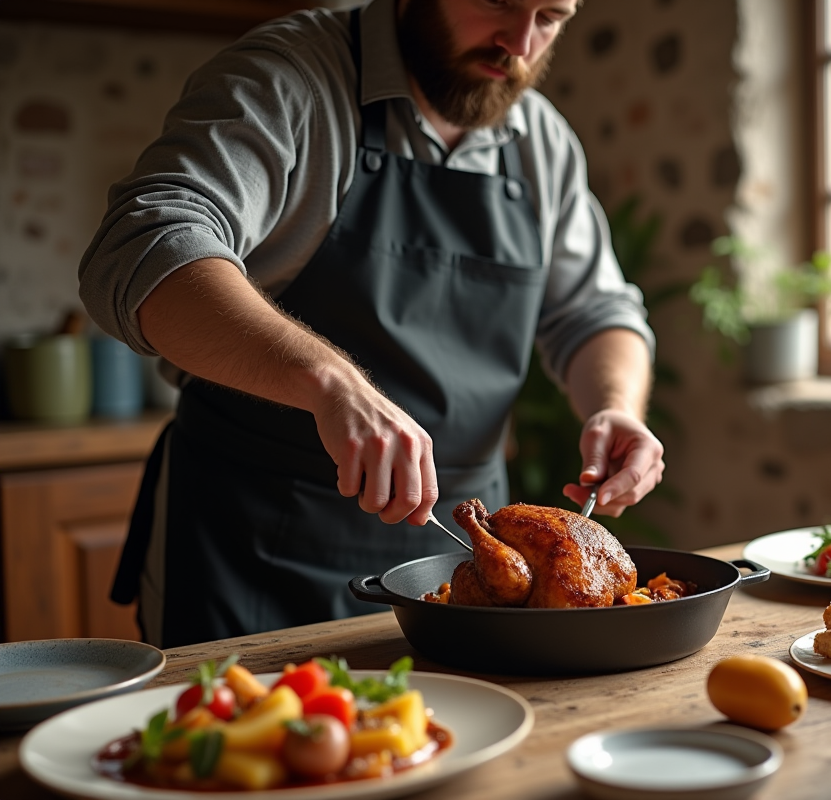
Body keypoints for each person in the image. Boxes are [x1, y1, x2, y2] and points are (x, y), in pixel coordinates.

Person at [78, 0, 664, 648]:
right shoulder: (288, 78)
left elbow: (595, 311)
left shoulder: (542, 143)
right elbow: (144, 245)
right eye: (498, 2)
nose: (520, 44)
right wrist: (329, 383)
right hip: (253, 553)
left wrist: (615, 407)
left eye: (550, 16)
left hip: (465, 568)